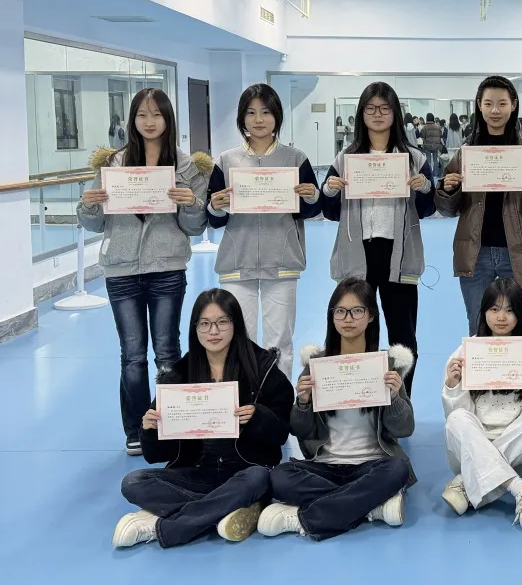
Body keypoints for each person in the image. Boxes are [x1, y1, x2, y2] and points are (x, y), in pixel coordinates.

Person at [78, 88, 211, 455]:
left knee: (167, 351)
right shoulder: (112, 163)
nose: (149, 122)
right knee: (133, 354)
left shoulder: (188, 167)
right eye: (142, 115)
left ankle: (172, 423)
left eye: (157, 114)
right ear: (132, 120)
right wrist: (88, 206)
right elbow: (95, 223)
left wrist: (191, 204)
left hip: (167, 267)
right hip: (121, 270)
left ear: (168, 119)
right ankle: (137, 427)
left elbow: (195, 226)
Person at [112, 289, 294, 548]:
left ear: (235, 324)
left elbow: (281, 433)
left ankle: (165, 526)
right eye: (205, 323)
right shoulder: (179, 374)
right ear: (195, 328)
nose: (213, 331)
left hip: (244, 470)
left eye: (222, 322)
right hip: (197, 472)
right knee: (133, 482)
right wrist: (150, 430)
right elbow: (155, 455)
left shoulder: (262, 368)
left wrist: (258, 417)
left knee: (259, 478)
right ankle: (233, 506)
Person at [258, 278, 416, 540]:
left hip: (373, 465)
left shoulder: (387, 364)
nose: (348, 319)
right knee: (279, 476)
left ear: (371, 316)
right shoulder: (317, 364)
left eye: (357, 311)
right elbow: (300, 431)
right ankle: (369, 506)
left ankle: (303, 517)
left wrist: (394, 397)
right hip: (325, 466)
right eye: (340, 311)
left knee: (397, 470)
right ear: (331, 316)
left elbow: (405, 428)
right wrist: (303, 403)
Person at [321, 82, 435, 397]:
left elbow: (428, 208)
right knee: (356, 332)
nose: (378, 114)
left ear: (395, 113)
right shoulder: (346, 158)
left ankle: (401, 404)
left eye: (385, 108)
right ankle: (360, 402)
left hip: (399, 255)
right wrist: (329, 189)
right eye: (371, 108)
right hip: (358, 254)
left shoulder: (413, 158)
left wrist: (425, 186)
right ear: (361, 114)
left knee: (403, 337)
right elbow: (329, 211)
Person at [206, 83, 322, 378]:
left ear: (277, 116)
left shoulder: (295, 159)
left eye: (266, 112)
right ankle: (245, 400)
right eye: (251, 112)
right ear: (242, 118)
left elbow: (309, 210)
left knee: (279, 343)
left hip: (282, 263)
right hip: (237, 263)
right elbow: (215, 219)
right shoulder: (226, 161)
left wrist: (312, 196)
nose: (259, 119)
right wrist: (215, 207)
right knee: (238, 341)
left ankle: (277, 401)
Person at [436, 76, 522, 336]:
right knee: (478, 328)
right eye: (488, 103)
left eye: (502, 103)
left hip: (518, 253)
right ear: (479, 105)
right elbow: (446, 209)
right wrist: (448, 189)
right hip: (475, 254)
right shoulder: (466, 153)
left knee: (517, 330)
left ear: (513, 105)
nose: (495, 110)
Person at [441, 278, 522, 532]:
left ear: (520, 315)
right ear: (484, 312)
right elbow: (457, 419)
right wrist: (453, 385)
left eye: (509, 310)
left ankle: (466, 483)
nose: (501, 317)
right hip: (473, 446)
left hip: (519, 453)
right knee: (457, 419)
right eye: (494, 309)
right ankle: (520, 489)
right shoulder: (466, 351)